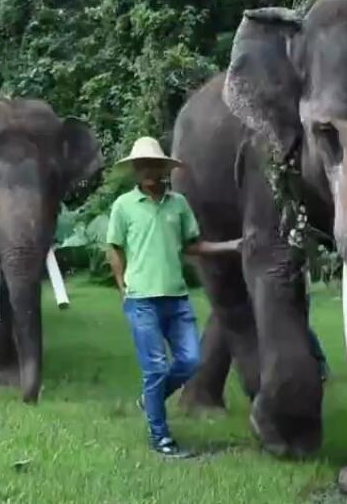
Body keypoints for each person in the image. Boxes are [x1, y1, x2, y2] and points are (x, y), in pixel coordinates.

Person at [106, 137, 242, 459]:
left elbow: (192, 246)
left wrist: (231, 246)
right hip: (142, 300)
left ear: (163, 168)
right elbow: (114, 248)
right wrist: (123, 288)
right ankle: (160, 436)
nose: (147, 170)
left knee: (191, 361)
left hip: (177, 299)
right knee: (154, 368)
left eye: (153, 164)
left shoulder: (178, 204)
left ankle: (149, 400)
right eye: (141, 165)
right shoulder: (123, 206)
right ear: (136, 170)